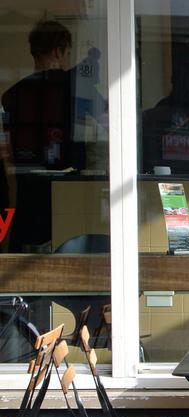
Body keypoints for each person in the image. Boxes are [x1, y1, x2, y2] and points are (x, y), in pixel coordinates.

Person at [2, 21, 88, 251]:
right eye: (68, 52)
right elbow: (110, 124)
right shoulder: (76, 86)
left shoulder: (11, 96)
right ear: (59, 51)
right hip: (72, 201)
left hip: (28, 199)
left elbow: (8, 153)